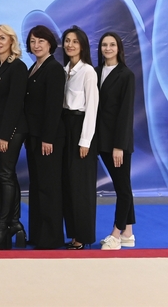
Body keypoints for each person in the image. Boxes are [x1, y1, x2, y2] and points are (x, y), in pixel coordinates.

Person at [0, 24, 28, 249]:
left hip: (11, 131)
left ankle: (4, 226)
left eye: (2, 38)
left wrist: (4, 136)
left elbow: (14, 104)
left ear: (12, 41)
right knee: (6, 175)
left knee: (5, 175)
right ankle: (13, 223)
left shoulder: (17, 67)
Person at [23, 25, 66, 250]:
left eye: (40, 41)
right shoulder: (34, 67)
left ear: (50, 43)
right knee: (36, 185)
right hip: (34, 137)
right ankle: (38, 234)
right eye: (32, 41)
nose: (36, 45)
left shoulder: (54, 69)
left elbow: (53, 107)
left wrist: (47, 138)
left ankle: (51, 238)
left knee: (48, 188)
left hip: (48, 139)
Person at [95, 32, 136, 251]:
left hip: (118, 143)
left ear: (119, 48)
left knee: (122, 188)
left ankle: (116, 234)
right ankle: (129, 232)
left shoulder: (126, 75)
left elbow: (125, 112)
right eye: (104, 45)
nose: (108, 48)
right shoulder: (97, 71)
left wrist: (119, 146)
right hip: (101, 140)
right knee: (124, 186)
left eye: (112, 45)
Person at [61, 25, 99, 250]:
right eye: (67, 40)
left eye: (74, 41)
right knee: (68, 185)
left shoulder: (88, 72)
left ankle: (83, 236)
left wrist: (85, 141)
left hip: (81, 130)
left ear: (82, 45)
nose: (70, 45)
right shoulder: (65, 70)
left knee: (81, 187)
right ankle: (73, 232)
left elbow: (92, 108)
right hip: (65, 128)